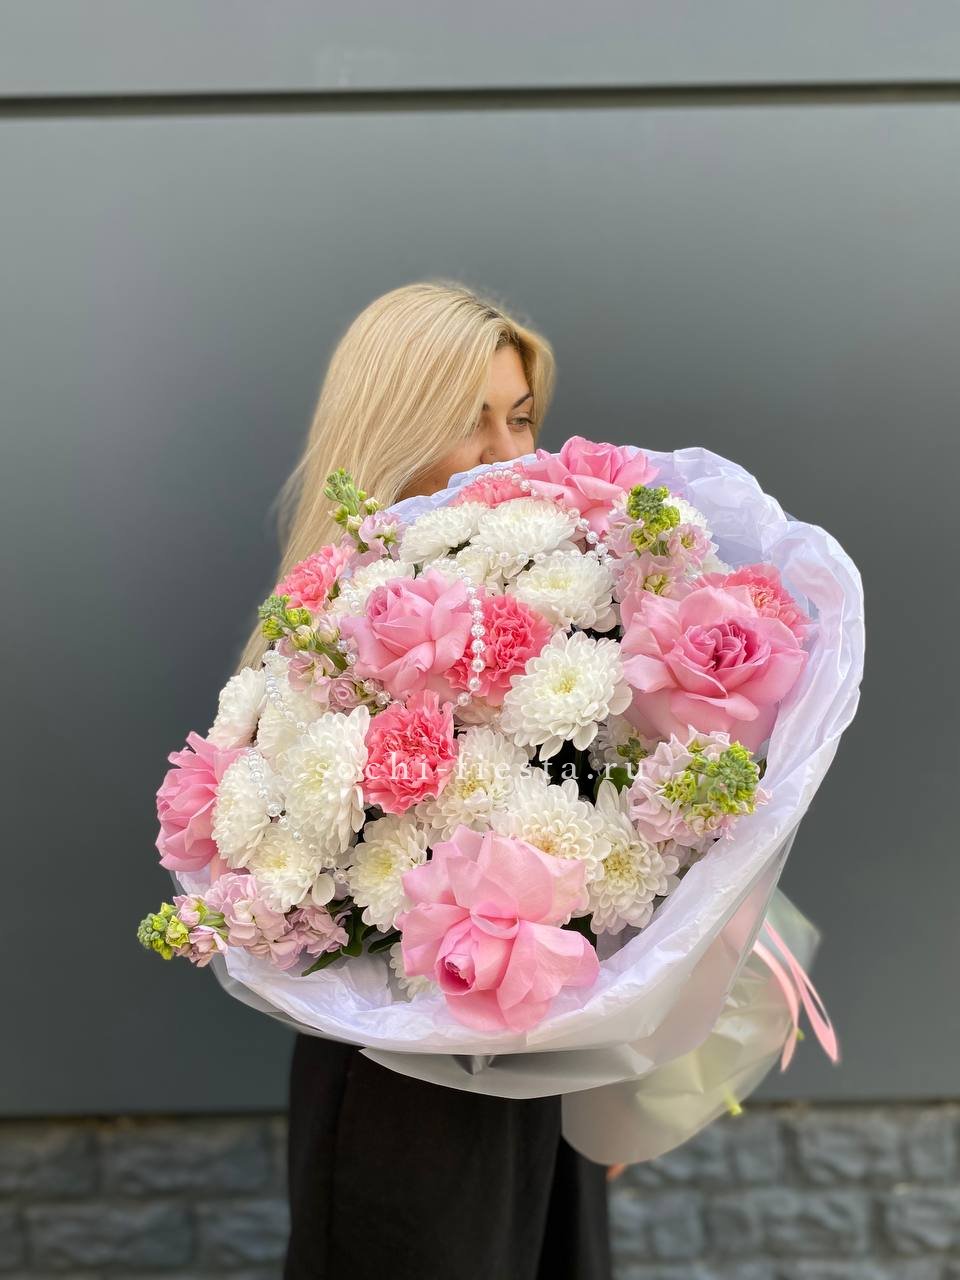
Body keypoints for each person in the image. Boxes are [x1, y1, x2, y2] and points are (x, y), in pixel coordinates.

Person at [233, 281, 620, 1279]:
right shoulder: (322, 643)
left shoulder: (562, 599)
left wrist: (630, 1044)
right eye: (467, 419)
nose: (503, 451)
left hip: (541, 1066)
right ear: (391, 428)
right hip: (405, 1085)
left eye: (520, 417)